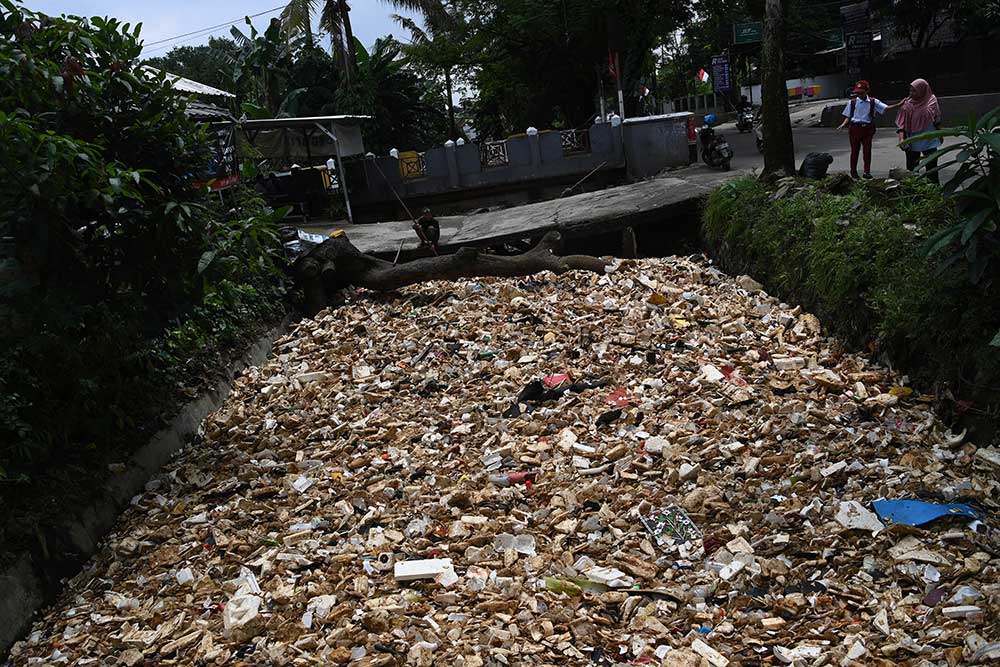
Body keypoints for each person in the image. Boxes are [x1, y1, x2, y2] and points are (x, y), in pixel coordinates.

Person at [836, 80, 903, 179]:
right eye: (857, 93)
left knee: (867, 151)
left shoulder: (873, 101)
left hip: (867, 128)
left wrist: (899, 105)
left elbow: (885, 108)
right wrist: (843, 124)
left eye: (861, 92)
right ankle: (853, 172)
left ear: (867, 91)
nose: (859, 95)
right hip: (855, 128)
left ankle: (867, 172)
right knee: (854, 151)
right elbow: (848, 116)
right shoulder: (853, 102)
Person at [895, 78, 942, 184]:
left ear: (922, 90)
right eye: (910, 90)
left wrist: (940, 134)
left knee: (932, 170)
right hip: (912, 141)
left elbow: (935, 119)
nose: (911, 93)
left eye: (914, 91)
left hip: (930, 140)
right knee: (912, 170)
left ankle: (935, 194)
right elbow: (901, 125)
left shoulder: (931, 100)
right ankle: (913, 193)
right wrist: (901, 139)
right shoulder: (907, 104)